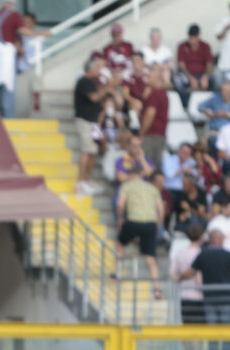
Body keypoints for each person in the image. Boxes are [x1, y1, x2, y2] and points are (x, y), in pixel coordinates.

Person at [183, 229, 230, 350]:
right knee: (228, 332)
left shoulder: (203, 255)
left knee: (212, 331)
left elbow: (190, 272)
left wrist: (178, 277)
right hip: (228, 299)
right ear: (220, 239)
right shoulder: (229, 255)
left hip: (210, 299)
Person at [116, 173, 165, 296]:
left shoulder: (126, 186)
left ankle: (118, 273)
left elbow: (120, 204)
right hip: (151, 224)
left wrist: (121, 218)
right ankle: (157, 289)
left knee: (120, 243)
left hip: (133, 221)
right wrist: (158, 224)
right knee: (150, 257)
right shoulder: (153, 188)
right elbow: (161, 209)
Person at [74, 57, 110, 195]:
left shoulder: (91, 82)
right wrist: (107, 89)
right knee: (86, 150)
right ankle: (80, 182)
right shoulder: (84, 81)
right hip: (85, 121)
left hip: (93, 122)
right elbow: (94, 97)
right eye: (96, 68)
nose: (98, 70)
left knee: (93, 151)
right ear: (89, 69)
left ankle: (88, 180)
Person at [169, 223, 206, 333]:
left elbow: (172, 274)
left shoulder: (180, 253)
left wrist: (180, 279)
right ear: (200, 237)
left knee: (187, 328)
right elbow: (199, 278)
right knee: (199, 330)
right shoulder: (200, 254)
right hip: (198, 296)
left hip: (184, 295)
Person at [174, 24, 213, 108]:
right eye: (190, 36)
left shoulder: (205, 46)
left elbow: (209, 64)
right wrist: (190, 78)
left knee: (217, 80)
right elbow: (181, 65)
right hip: (187, 76)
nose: (192, 39)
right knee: (177, 81)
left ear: (198, 36)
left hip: (202, 75)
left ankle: (212, 104)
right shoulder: (182, 46)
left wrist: (205, 77)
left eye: (194, 36)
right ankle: (185, 105)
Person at [139, 67, 168, 167]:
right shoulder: (162, 93)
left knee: (147, 163)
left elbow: (150, 114)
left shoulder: (155, 94)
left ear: (157, 78)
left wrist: (142, 132)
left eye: (149, 77)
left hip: (151, 134)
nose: (147, 79)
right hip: (160, 133)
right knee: (155, 163)